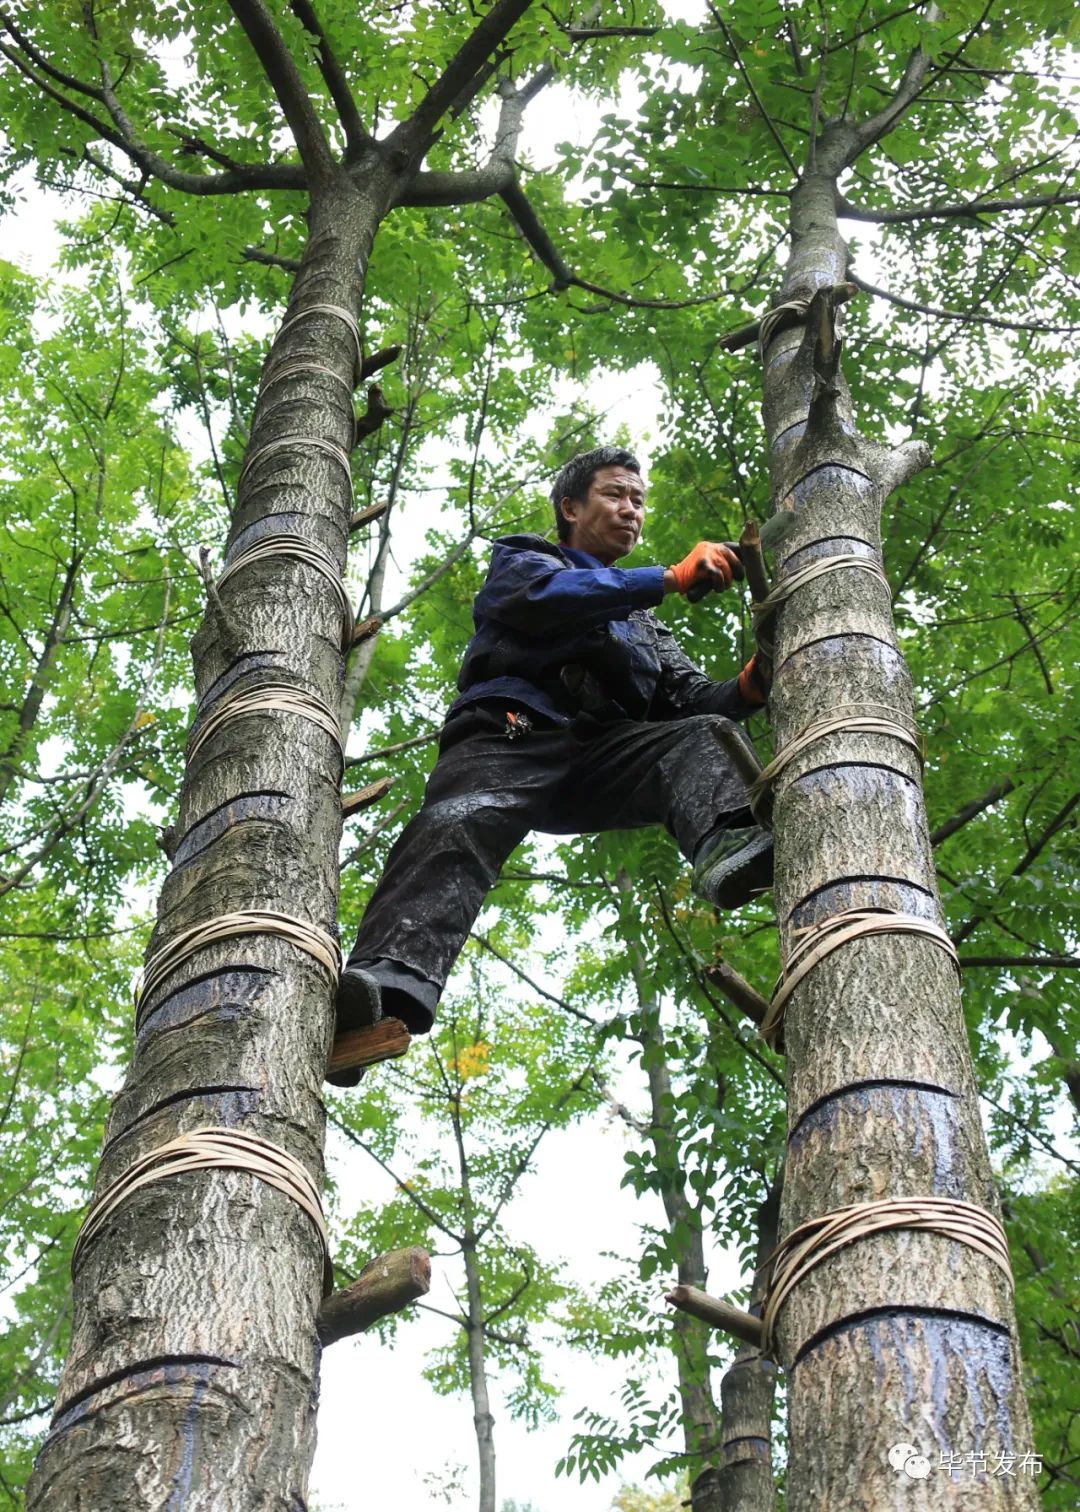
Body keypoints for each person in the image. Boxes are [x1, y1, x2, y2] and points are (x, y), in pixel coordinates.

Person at [331, 445, 771, 1082]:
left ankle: (732, 844)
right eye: (615, 494)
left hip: (597, 758)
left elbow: (692, 701)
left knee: (703, 735)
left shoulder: (646, 625)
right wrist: (670, 578)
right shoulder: (526, 561)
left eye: (639, 500)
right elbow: (546, 599)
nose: (631, 509)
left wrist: (752, 684)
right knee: (460, 823)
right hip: (511, 733)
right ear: (570, 507)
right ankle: (380, 994)